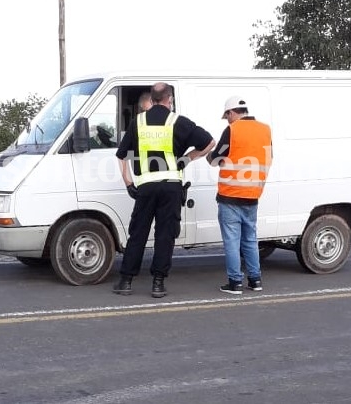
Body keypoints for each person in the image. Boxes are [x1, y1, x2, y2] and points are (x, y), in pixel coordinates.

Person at [114, 82, 215, 298]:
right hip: (170, 187)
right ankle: (158, 283)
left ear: (152, 98)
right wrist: (188, 158)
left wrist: (129, 183)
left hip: (146, 187)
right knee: (165, 235)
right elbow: (210, 143)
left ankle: (126, 281)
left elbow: (121, 155)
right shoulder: (178, 121)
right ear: (169, 99)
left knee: (138, 233)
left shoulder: (137, 122)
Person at [207, 96, 272, 295]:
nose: (227, 120)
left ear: (231, 112)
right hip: (253, 195)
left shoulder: (232, 130)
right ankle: (255, 280)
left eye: (226, 116)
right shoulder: (265, 130)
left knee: (232, 241)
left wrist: (211, 155)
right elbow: (269, 158)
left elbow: (216, 158)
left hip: (230, 196)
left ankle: (235, 282)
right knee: (250, 240)